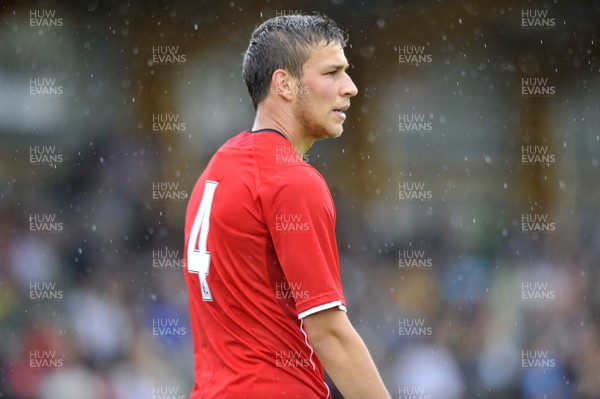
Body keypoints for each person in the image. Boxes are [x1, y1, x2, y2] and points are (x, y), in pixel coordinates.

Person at [184, 13, 391, 399]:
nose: (351, 87)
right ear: (285, 83)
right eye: (332, 73)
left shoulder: (219, 167)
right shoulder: (293, 181)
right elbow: (328, 331)